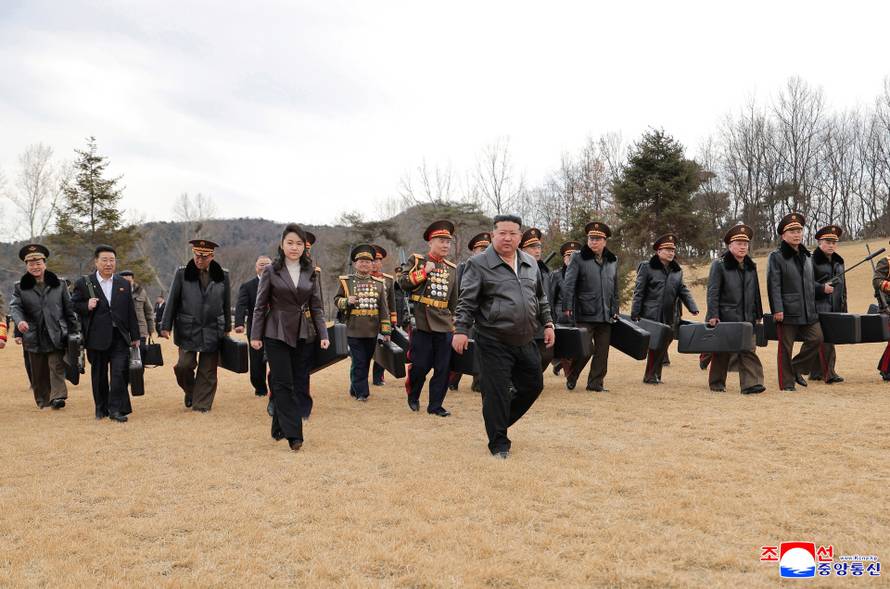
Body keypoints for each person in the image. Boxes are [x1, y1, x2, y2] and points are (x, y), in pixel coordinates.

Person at [453, 214, 555, 458]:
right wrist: (460, 330)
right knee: (496, 391)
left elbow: (540, 297)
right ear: (493, 235)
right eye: (502, 233)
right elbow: (466, 301)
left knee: (533, 385)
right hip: (493, 339)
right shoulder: (478, 264)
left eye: (513, 233)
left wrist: (548, 323)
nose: (507, 238)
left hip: (526, 337)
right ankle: (498, 442)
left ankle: (496, 421)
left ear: (520, 237)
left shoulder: (530, 263)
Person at [251, 224, 329, 452]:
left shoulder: (310, 272)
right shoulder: (270, 271)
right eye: (290, 243)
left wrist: (323, 333)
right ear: (282, 245)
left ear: (305, 247)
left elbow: (317, 307)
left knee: (294, 382)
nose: (294, 247)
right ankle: (295, 435)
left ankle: (278, 425)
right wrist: (256, 335)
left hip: (302, 333)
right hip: (275, 331)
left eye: (299, 243)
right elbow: (259, 306)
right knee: (283, 382)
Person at [160, 239, 232, 412]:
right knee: (183, 366)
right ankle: (191, 391)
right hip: (188, 328)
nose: (199, 260)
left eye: (204, 257)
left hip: (213, 328)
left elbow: (226, 304)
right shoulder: (181, 273)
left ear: (212, 256)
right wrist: (165, 325)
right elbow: (172, 300)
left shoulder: (223, 275)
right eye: (196, 256)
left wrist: (227, 328)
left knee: (208, 371)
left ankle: (202, 405)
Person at [71, 245, 141, 422]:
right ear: (96, 261)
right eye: (104, 260)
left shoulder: (123, 283)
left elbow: (130, 312)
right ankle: (100, 408)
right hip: (96, 337)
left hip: (119, 336)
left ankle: (115, 410)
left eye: (112, 260)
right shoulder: (84, 283)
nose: (109, 264)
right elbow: (73, 305)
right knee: (99, 375)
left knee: (119, 373)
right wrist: (86, 305)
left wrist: (135, 336)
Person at [398, 220, 458, 416]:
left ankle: (435, 406)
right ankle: (413, 395)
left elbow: (453, 299)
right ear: (430, 242)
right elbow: (403, 283)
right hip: (422, 321)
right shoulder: (417, 261)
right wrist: (424, 272)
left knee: (443, 368)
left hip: (444, 323)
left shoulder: (451, 268)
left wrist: (456, 320)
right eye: (441, 241)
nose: (445, 245)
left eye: (448, 242)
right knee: (421, 366)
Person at [10, 244, 79, 410]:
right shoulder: (20, 287)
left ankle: (58, 397)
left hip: (56, 332)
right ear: (27, 266)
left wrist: (75, 331)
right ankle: (43, 400)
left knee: (56, 366)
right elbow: (15, 307)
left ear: (45, 264)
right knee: (38, 371)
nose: (35, 267)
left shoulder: (60, 284)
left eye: (38, 263)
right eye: (31, 264)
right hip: (33, 335)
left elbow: (69, 309)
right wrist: (20, 322)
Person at [767, 213, 826, 391]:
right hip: (787, 310)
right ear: (783, 235)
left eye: (799, 230)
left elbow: (807, 283)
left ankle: (795, 368)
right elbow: (773, 285)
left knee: (817, 339)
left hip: (809, 310)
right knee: (786, 348)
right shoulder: (776, 257)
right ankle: (786, 384)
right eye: (792, 231)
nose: (797, 234)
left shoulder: (807, 256)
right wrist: (777, 309)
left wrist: (821, 288)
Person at [705, 224, 766, 394]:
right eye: (738, 243)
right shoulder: (719, 264)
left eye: (745, 244)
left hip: (748, 316)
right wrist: (713, 314)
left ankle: (750, 384)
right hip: (726, 315)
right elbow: (713, 291)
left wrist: (758, 313)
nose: (742, 247)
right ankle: (717, 383)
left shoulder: (750, 266)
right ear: (730, 245)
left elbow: (756, 292)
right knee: (722, 352)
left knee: (748, 349)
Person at [630, 234, 699, 384]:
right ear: (658, 251)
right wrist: (635, 313)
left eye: (672, 250)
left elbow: (682, 290)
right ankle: (650, 376)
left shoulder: (677, 271)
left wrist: (692, 307)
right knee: (656, 345)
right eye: (667, 250)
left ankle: (654, 375)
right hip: (651, 313)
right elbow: (639, 291)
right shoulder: (647, 267)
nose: (670, 253)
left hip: (670, 315)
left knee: (664, 344)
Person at [562, 221, 619, 392]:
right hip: (584, 311)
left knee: (602, 352)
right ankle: (572, 375)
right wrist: (567, 306)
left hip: (605, 314)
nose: (593, 242)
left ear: (604, 241)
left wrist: (615, 308)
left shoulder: (612, 259)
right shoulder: (578, 258)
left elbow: (614, 287)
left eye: (597, 239)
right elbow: (569, 284)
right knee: (586, 349)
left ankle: (595, 384)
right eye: (591, 238)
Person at [334, 245, 391, 402]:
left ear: (372, 264)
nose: (364, 264)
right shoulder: (346, 282)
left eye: (368, 262)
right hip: (353, 329)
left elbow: (384, 309)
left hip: (372, 330)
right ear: (355, 264)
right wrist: (347, 301)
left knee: (365, 361)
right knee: (359, 361)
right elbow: (336, 300)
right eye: (361, 261)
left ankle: (355, 387)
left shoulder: (379, 284)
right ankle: (362, 393)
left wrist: (386, 332)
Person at [448, 231, 491, 392]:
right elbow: (457, 293)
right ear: (474, 251)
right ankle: (453, 380)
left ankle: (478, 382)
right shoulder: (464, 267)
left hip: (484, 318)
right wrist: (457, 316)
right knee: (461, 349)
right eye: (481, 249)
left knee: (481, 351)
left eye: (488, 248)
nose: (485, 252)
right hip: (466, 316)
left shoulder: (494, 269)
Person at [809, 225, 846, 383]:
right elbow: (806, 285)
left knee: (828, 340)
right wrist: (821, 289)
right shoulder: (811, 261)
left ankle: (816, 372)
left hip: (835, 307)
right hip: (818, 307)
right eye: (828, 241)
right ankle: (828, 373)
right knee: (825, 342)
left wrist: (843, 307)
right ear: (819, 242)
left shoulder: (839, 262)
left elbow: (843, 289)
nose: (831, 245)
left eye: (834, 242)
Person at [235, 255, 273, 397]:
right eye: (261, 264)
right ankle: (260, 389)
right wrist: (239, 323)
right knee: (257, 362)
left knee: (276, 359)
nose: (264, 267)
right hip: (255, 329)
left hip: (275, 328)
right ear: (256, 267)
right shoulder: (247, 286)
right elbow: (241, 305)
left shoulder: (279, 283)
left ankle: (276, 388)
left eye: (267, 264)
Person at [520, 227, 555, 371]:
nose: (537, 250)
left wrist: (550, 321)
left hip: (542, 321)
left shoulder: (545, 271)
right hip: (524, 321)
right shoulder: (519, 268)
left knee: (547, 354)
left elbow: (546, 297)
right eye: (532, 247)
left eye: (539, 246)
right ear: (522, 249)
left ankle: (531, 379)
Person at [548, 240, 582, 376]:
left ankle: (559, 365)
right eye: (568, 256)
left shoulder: (582, 275)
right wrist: (552, 318)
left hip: (579, 316)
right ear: (564, 258)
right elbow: (551, 298)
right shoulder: (556, 275)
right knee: (565, 347)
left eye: (573, 256)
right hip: (561, 316)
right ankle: (569, 375)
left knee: (578, 348)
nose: (570, 259)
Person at [370, 244, 397, 386]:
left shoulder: (388, 280)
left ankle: (378, 377)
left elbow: (392, 302)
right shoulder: (359, 279)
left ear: (381, 262)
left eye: (377, 260)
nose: (374, 264)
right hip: (366, 319)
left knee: (382, 349)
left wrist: (393, 321)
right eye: (372, 260)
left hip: (383, 321)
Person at [119, 270, 154, 342]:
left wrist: (151, 329)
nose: (127, 283)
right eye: (124, 281)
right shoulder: (115, 292)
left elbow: (149, 311)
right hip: (122, 332)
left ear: (133, 280)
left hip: (140, 331)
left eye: (129, 281)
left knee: (141, 352)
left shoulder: (141, 291)